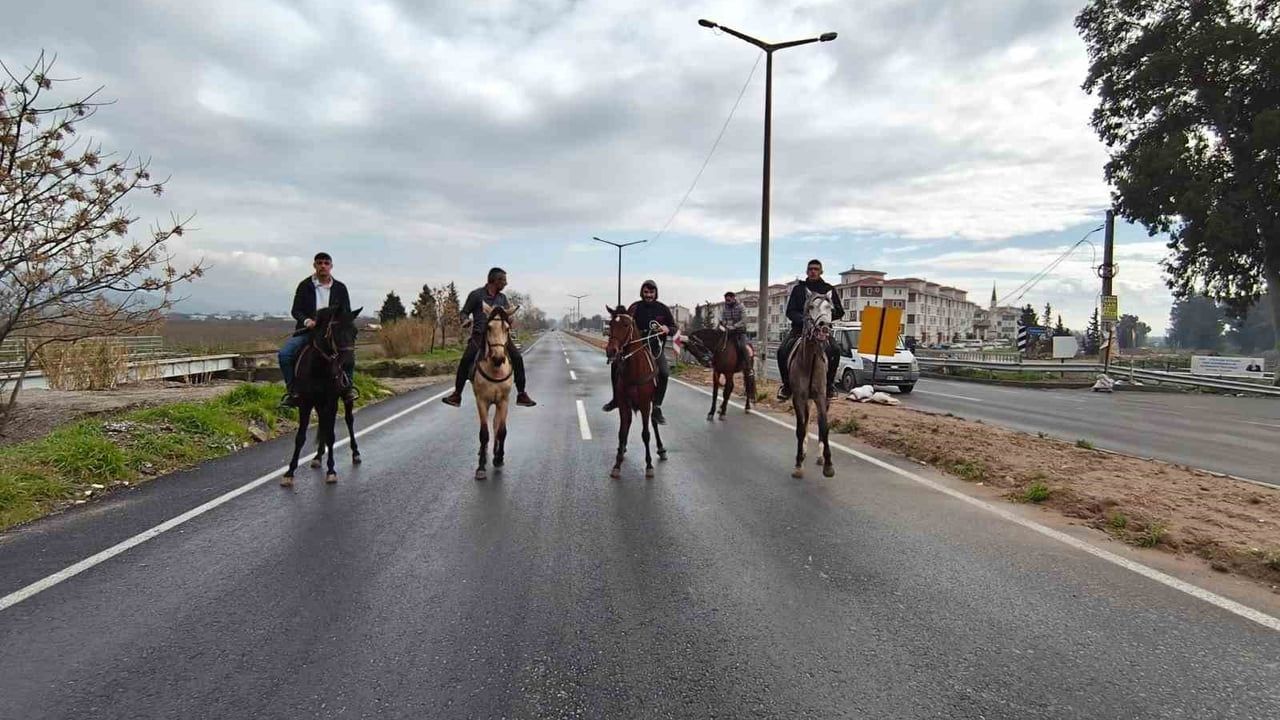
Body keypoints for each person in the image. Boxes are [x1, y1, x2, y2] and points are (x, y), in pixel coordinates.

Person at [441, 267, 536, 408]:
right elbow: (464, 312)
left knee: (517, 357)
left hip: (501, 337)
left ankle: (521, 393)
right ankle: (457, 395)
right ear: (495, 280)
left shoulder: (502, 298)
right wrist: (465, 320)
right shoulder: (476, 295)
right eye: (503, 280)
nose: (506, 283)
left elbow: (508, 317)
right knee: (466, 360)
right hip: (480, 336)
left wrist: (510, 319)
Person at [278, 252, 354, 408]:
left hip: (332, 333)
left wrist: (339, 324)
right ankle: (293, 391)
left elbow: (346, 311)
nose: (323, 266)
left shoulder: (340, 288)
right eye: (319, 263)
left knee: (349, 355)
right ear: (314, 266)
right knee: (284, 355)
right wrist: (307, 321)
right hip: (308, 331)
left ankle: (348, 389)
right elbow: (296, 310)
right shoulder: (305, 285)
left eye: (326, 263)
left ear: (331, 266)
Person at [602, 279, 676, 424]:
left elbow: (674, 327)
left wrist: (668, 329)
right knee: (615, 366)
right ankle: (616, 399)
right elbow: (625, 324)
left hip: (654, 347)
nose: (649, 295)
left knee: (665, 373)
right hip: (635, 347)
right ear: (642, 292)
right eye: (646, 292)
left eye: (651, 292)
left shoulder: (663, 309)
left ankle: (657, 406)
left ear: (656, 293)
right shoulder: (635, 307)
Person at [776, 259, 844, 401]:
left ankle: (830, 386)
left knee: (836, 350)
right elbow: (790, 311)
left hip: (822, 331)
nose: (813, 271)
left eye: (816, 269)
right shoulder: (798, 289)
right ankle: (786, 386)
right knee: (782, 351)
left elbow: (839, 311)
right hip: (799, 329)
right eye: (811, 269)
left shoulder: (828, 289)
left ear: (821, 272)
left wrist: (825, 319)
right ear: (807, 271)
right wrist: (804, 320)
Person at [719, 291, 755, 383]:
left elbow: (744, 320)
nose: (727, 301)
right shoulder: (724, 308)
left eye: (728, 300)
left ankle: (749, 367)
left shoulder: (740, 307)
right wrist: (724, 324)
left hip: (740, 332)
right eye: (726, 300)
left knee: (743, 346)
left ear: (733, 298)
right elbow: (723, 319)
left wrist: (734, 326)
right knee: (719, 345)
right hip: (729, 331)